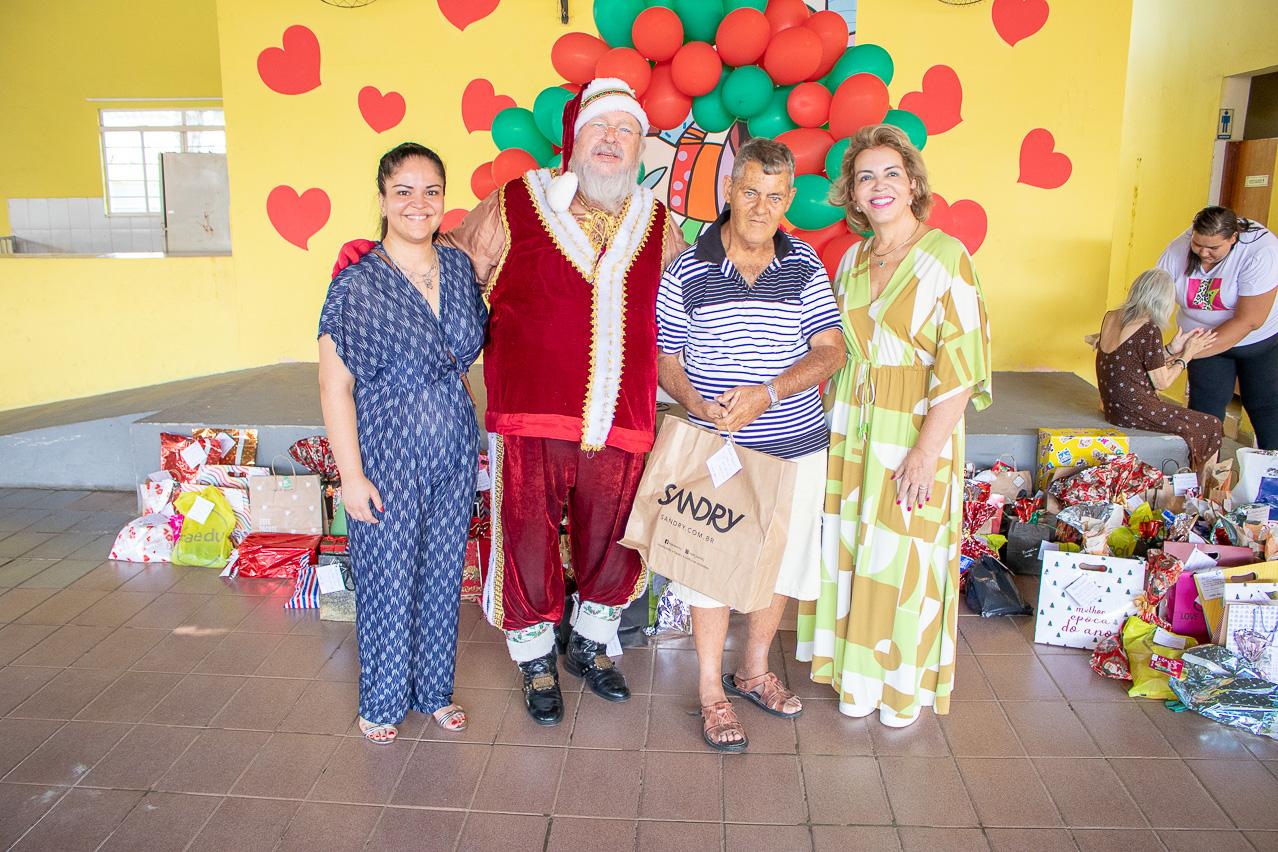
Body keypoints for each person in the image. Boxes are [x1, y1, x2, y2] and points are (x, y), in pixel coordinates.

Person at [333, 78, 688, 725]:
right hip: (529, 415)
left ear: (640, 146)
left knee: (616, 541)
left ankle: (590, 644)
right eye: (598, 128)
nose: (610, 141)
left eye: (625, 130)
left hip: (626, 420)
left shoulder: (658, 224)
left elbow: (687, 311)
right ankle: (534, 659)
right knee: (525, 538)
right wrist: (377, 268)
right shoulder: (519, 202)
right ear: (573, 139)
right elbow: (450, 267)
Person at [795, 124, 992, 728]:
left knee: (907, 557)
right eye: (865, 177)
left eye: (890, 174)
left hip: (913, 426)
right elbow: (837, 348)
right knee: (858, 552)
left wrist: (925, 453)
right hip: (852, 423)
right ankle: (858, 681)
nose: (878, 186)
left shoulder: (946, 257)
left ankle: (901, 688)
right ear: (852, 195)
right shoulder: (854, 259)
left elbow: (961, 369)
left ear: (912, 185)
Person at [655, 137, 845, 752]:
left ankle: (754, 669)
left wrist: (769, 391)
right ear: (730, 191)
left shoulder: (807, 266)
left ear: (788, 198)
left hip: (796, 448)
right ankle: (711, 689)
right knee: (711, 565)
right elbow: (663, 357)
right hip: (718, 447)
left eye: (774, 194)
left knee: (783, 563)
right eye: (750, 191)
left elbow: (831, 351)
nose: (761, 206)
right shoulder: (687, 267)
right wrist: (695, 403)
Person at [318, 143, 487, 744]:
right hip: (386, 448)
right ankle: (384, 700)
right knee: (387, 574)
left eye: (431, 190)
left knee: (442, 572)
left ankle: (433, 690)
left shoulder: (461, 269)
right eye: (405, 191)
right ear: (384, 199)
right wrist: (351, 476)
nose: (419, 203)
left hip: (453, 446)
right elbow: (333, 385)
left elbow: (475, 350)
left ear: (444, 197)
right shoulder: (358, 285)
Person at [1156, 206, 1278, 449]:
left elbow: (1249, 320)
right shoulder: (1177, 249)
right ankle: (1202, 476)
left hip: (1257, 342)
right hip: (1200, 340)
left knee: (1265, 407)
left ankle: (1271, 477)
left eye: (1213, 248)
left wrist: (1183, 355)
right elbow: (1153, 299)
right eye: (1198, 244)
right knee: (1204, 410)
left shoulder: (1261, 251)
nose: (1203, 252)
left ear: (1233, 238)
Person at [1091, 268, 1221, 469]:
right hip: (1134, 410)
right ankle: (1204, 489)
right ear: (1165, 300)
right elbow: (1162, 382)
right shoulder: (1148, 328)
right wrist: (1188, 354)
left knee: (1196, 423)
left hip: (1113, 408)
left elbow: (1129, 360)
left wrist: (1171, 349)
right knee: (1210, 425)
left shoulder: (1111, 316)